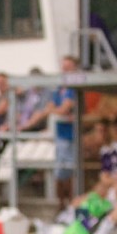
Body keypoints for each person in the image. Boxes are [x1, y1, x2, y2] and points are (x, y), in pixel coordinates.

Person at [48, 56, 78, 209]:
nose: (64, 69)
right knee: (59, 174)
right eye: (63, 66)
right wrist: (56, 111)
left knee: (70, 174)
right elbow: (51, 107)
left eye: (68, 67)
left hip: (72, 137)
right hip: (59, 136)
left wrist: (57, 111)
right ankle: (61, 207)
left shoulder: (74, 88)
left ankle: (71, 206)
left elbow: (64, 109)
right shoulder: (60, 87)